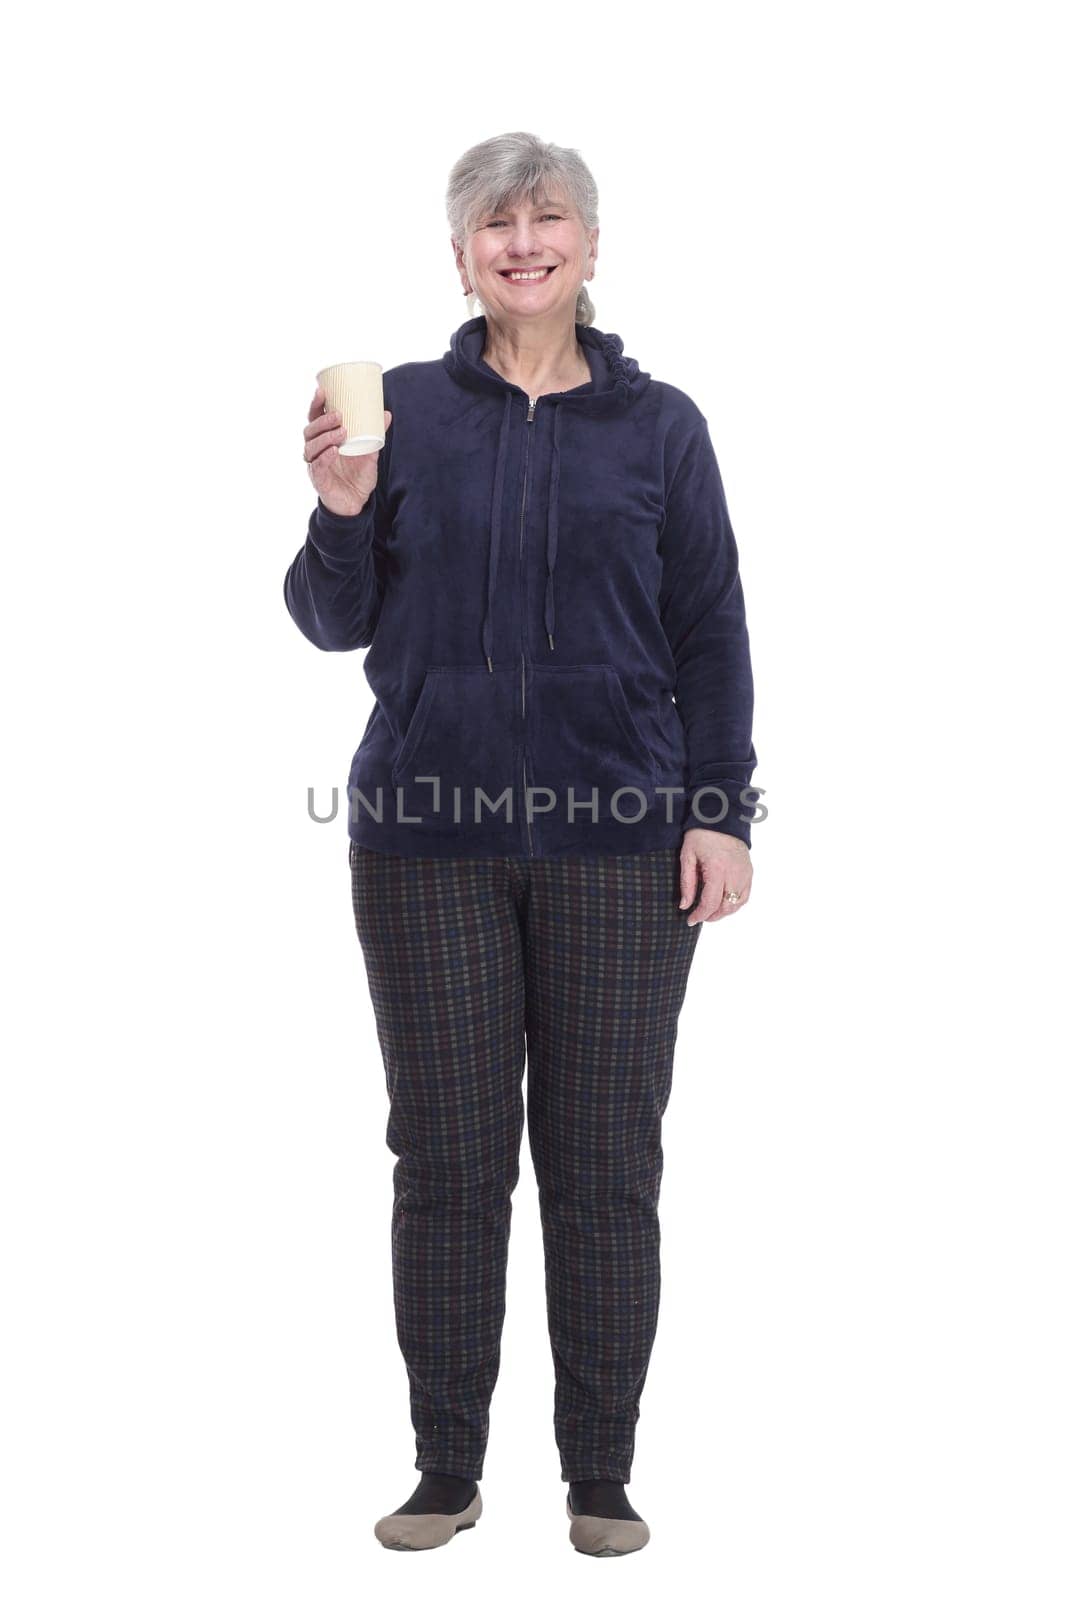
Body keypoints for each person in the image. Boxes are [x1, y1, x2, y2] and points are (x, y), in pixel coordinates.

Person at [283, 130, 759, 1556]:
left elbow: (710, 631)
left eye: (548, 217)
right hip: (428, 838)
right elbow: (330, 619)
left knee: (605, 1158)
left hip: (622, 843)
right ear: (462, 257)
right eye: (495, 223)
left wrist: (720, 809)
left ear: (592, 249)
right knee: (445, 1155)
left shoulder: (660, 428)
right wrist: (342, 512)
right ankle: (446, 1464)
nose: (523, 240)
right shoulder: (403, 413)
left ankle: (600, 1471)